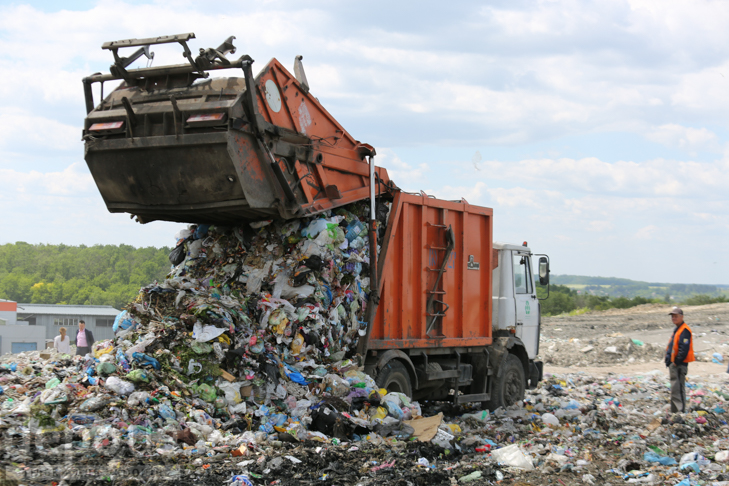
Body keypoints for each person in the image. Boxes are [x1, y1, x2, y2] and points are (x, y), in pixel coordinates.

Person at [665, 306, 694, 413]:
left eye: (676, 316)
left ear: (681, 317)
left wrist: (676, 362)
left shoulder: (684, 330)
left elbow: (684, 349)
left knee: (678, 389)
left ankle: (679, 413)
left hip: (679, 365)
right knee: (674, 389)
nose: (674, 318)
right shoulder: (678, 329)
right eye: (672, 316)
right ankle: (675, 412)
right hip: (674, 364)